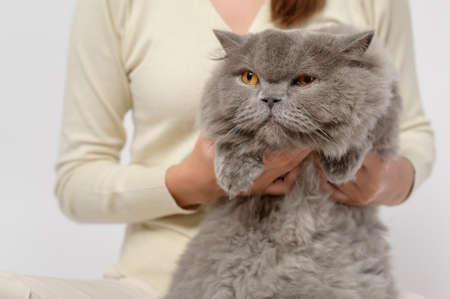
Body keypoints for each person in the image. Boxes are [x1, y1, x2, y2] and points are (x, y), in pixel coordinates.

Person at [0, 0, 435, 298]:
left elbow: (414, 132)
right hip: (157, 283)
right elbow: (77, 179)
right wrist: (190, 182)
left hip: (327, 268)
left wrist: (386, 181)